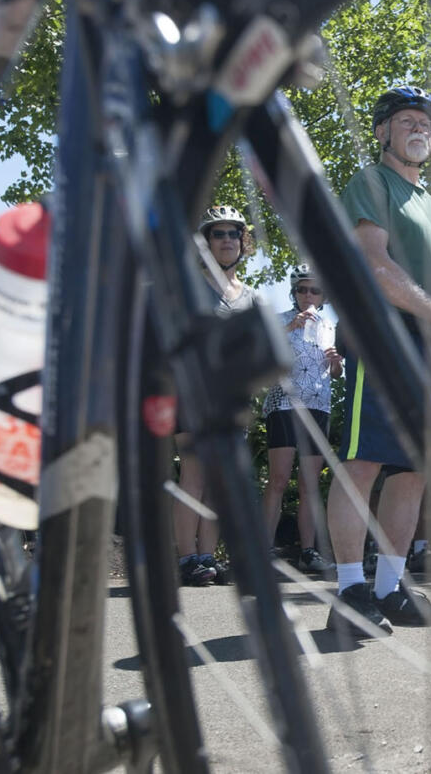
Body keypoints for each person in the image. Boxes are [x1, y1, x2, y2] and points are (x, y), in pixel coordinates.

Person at [325, 86, 431, 636]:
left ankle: (390, 589)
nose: (419, 129)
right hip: (387, 339)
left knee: (414, 471)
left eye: (426, 123)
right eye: (406, 120)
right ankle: (348, 589)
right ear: (383, 130)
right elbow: (372, 260)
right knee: (363, 462)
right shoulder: (371, 182)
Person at [175, 206, 257, 586]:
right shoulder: (188, 286)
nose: (227, 240)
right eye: (218, 234)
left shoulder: (251, 297)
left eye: (233, 234)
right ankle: (186, 558)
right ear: (205, 242)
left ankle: (207, 557)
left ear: (243, 242)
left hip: (232, 399)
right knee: (194, 474)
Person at [261, 264, 343, 575]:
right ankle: (264, 548)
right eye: (302, 289)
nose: (308, 295)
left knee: (310, 483)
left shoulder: (330, 326)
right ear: (293, 292)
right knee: (279, 480)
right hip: (284, 404)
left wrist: (336, 363)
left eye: (315, 290)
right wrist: (289, 328)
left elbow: (334, 374)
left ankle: (308, 551)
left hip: (319, 406)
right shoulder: (280, 319)